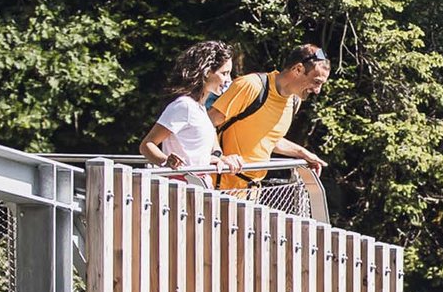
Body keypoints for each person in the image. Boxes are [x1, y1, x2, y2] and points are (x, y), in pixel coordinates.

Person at [209, 44, 330, 193]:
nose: (317, 91)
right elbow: (207, 123)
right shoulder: (252, 86)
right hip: (217, 189)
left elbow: (268, 138)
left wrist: (303, 153)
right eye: (316, 82)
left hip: (251, 193)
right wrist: (219, 156)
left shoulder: (293, 101)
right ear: (298, 69)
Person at [139, 40, 246, 186]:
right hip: (181, 189)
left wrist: (218, 157)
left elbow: (200, 149)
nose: (229, 80)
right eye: (224, 73)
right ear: (207, 72)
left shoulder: (200, 109)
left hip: (200, 186)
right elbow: (147, 145)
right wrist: (165, 161)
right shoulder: (184, 106)